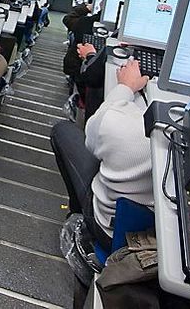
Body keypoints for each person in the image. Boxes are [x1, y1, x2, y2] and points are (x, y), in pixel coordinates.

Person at [51, 59, 153, 246]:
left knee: (62, 131)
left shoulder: (119, 124)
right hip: (152, 242)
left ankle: (79, 215)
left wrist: (125, 87)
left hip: (107, 229)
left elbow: (93, 138)